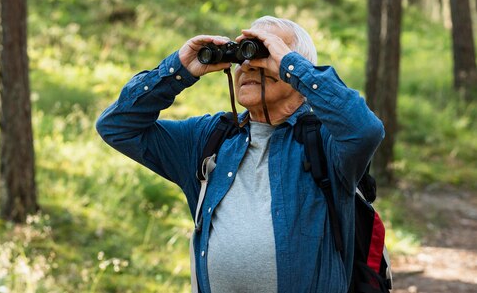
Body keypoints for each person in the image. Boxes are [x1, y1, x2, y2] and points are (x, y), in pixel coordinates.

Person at [96, 15, 384, 293]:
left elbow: (365, 129)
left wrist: (290, 65)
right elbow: (117, 126)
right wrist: (177, 70)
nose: (248, 65)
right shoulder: (209, 138)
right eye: (242, 57)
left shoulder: (325, 140)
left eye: (264, 53)